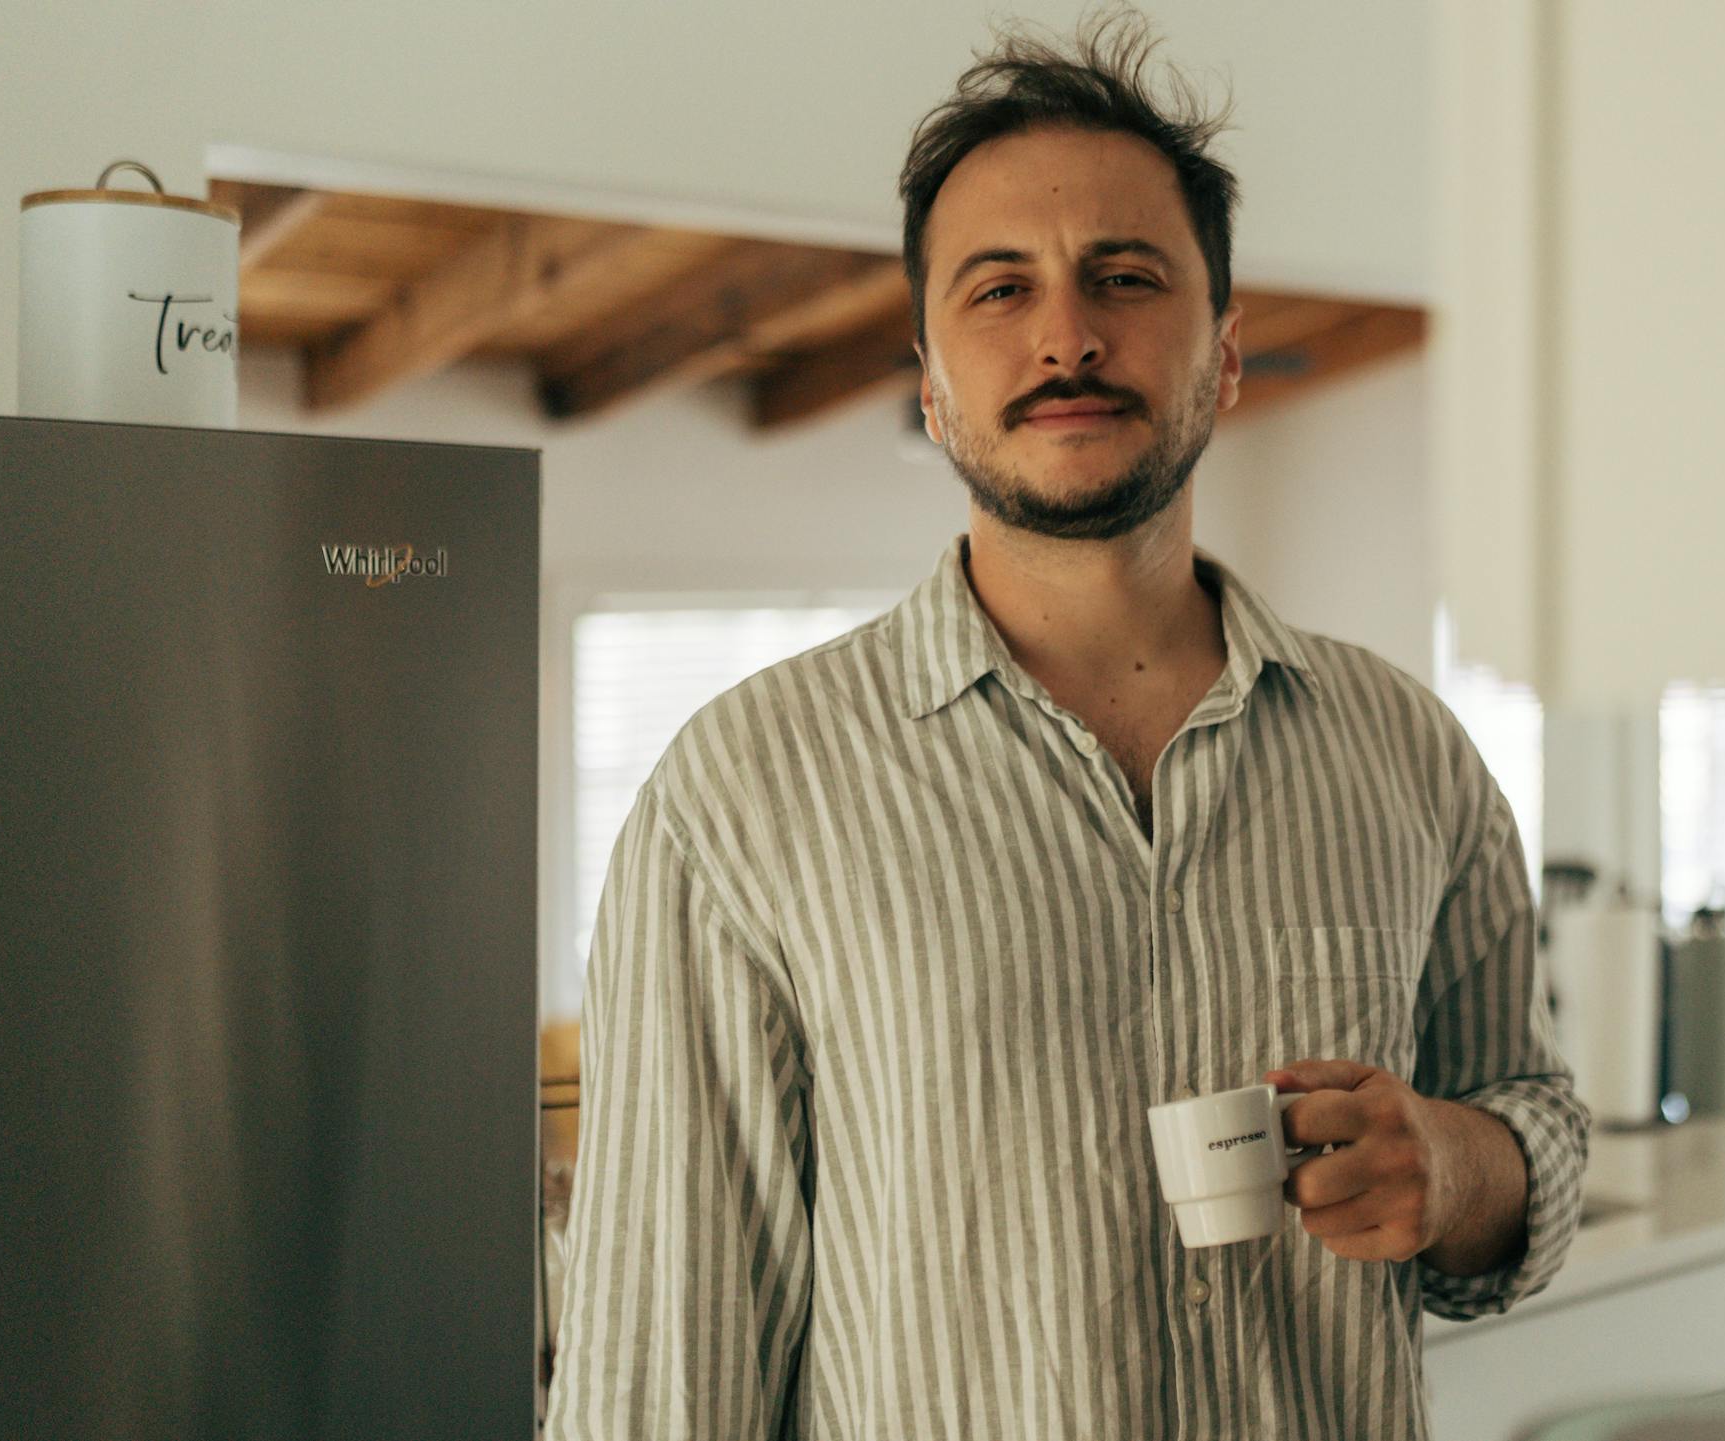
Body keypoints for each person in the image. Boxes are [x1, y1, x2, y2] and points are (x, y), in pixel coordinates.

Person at [544, 11, 1588, 1438]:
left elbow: (1532, 1114)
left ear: (1225, 355)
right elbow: (662, 1381)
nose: (1066, 333)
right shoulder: (741, 798)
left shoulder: (1408, 754)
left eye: (1126, 275)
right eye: (998, 289)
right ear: (928, 379)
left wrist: (1454, 1168)